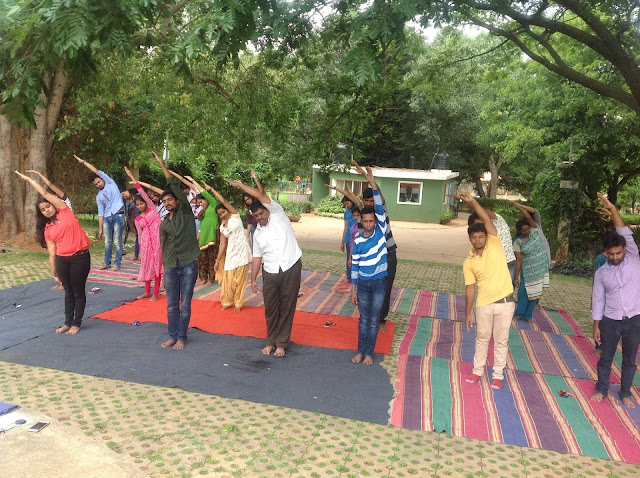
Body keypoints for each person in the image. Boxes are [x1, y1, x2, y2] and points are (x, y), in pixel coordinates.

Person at [226, 175, 302, 357]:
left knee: (287, 306)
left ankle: (282, 343)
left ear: (267, 210)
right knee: (271, 308)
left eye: (261, 213)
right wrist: (253, 279)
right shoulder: (258, 234)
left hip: (291, 267)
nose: (260, 217)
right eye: (256, 216)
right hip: (270, 273)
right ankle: (270, 341)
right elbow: (257, 258)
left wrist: (240, 184)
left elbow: (260, 196)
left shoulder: (278, 214)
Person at [15, 170, 92, 335]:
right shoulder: (48, 229)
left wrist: (30, 180)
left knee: (78, 291)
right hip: (62, 260)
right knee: (68, 292)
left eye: (47, 206)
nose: (46, 210)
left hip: (80, 258)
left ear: (54, 204)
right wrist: (54, 273)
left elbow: (44, 192)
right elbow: (52, 253)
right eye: (43, 209)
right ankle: (67, 322)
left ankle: (76, 323)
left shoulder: (65, 210)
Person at [455, 192, 514, 390]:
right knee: (481, 339)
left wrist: (473, 202)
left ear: (486, 237)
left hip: (505, 302)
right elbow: (469, 288)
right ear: (470, 239)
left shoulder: (495, 245)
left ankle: (498, 375)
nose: (479, 240)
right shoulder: (468, 262)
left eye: (481, 236)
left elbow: (487, 219)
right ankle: (477, 371)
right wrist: (467, 312)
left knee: (501, 341)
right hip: (483, 305)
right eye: (475, 237)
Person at [591, 193, 640, 409]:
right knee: (606, 358)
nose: (615, 257)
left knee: (630, 360)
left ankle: (625, 392)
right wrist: (596, 326)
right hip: (610, 321)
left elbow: (623, 232)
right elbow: (597, 300)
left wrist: (613, 211)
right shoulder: (601, 273)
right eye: (611, 254)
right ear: (605, 252)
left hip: (634, 320)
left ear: (625, 251)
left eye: (618, 253)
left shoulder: (633, 258)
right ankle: (602, 389)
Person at [151, 151, 201, 350]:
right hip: (171, 266)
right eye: (164, 202)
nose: (167, 202)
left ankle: (182, 337)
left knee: (185, 305)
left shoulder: (186, 213)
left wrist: (161, 164)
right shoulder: (164, 224)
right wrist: (164, 269)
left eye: (170, 200)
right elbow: (163, 247)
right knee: (171, 305)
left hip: (189, 263)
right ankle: (172, 335)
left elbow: (173, 185)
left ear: (178, 201)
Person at [346, 160, 397, 332]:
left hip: (388, 255)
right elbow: (357, 238)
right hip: (369, 258)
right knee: (366, 286)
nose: (369, 204)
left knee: (385, 287)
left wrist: (368, 178)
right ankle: (366, 318)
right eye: (366, 201)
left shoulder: (381, 214)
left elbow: (379, 196)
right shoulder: (363, 218)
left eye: (371, 201)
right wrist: (352, 257)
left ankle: (381, 320)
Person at [350, 167, 388, 365]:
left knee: (374, 320)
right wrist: (353, 288)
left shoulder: (381, 229)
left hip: (379, 282)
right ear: (361, 222)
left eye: (371, 220)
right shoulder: (357, 239)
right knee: (363, 320)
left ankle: (369, 353)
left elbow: (379, 205)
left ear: (376, 220)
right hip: (363, 284)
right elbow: (355, 265)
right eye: (365, 221)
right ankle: (359, 351)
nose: (368, 224)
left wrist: (372, 183)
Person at [206, 183, 252, 311]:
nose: (222, 214)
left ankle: (238, 303)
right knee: (229, 280)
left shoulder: (235, 216)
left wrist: (212, 190)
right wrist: (217, 260)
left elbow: (223, 201)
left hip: (242, 251)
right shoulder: (222, 227)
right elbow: (223, 244)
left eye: (223, 211)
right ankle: (227, 301)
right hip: (231, 254)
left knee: (240, 280)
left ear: (227, 210)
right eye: (220, 214)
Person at [75, 154, 125, 271]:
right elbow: (100, 213)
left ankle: (117, 263)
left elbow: (96, 170)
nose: (98, 184)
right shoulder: (99, 197)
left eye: (99, 181)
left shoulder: (110, 183)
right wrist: (100, 228)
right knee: (108, 241)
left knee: (117, 240)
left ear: (102, 179)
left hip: (118, 214)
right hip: (107, 217)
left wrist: (83, 162)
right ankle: (106, 263)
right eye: (96, 184)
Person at [124, 168, 163, 301]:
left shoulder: (152, 209)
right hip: (146, 244)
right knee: (146, 266)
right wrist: (140, 251)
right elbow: (139, 236)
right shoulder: (137, 219)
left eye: (142, 203)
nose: (140, 206)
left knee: (157, 266)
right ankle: (147, 291)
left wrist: (134, 180)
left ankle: (156, 293)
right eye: (138, 204)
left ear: (146, 203)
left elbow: (142, 193)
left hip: (157, 242)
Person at [511, 201, 550, 321]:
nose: (526, 231)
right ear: (519, 231)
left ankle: (528, 315)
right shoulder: (517, 242)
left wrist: (519, 207)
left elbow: (529, 215)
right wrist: (516, 277)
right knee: (523, 292)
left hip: (540, 267)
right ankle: (519, 314)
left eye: (527, 229)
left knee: (536, 292)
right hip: (527, 271)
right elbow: (518, 260)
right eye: (523, 230)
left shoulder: (535, 230)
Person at [326, 184, 363, 284]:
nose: (347, 206)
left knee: (357, 258)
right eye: (345, 204)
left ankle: (358, 277)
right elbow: (345, 227)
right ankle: (349, 277)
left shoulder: (358, 208)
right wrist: (342, 241)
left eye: (347, 203)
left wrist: (335, 188)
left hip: (358, 237)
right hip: (348, 238)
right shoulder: (346, 213)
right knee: (349, 258)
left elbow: (349, 196)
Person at [468, 209, 516, 282]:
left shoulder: (499, 222)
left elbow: (482, 209)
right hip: (494, 268)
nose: (480, 228)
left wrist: (471, 202)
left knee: (508, 292)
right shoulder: (483, 236)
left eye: (481, 223)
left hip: (508, 265)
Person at [121, 187, 140, 261]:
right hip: (134, 222)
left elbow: (133, 215)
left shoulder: (134, 203)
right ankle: (136, 255)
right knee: (138, 238)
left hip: (137, 222)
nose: (124, 195)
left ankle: (137, 255)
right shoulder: (129, 202)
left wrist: (132, 225)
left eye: (125, 193)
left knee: (139, 238)